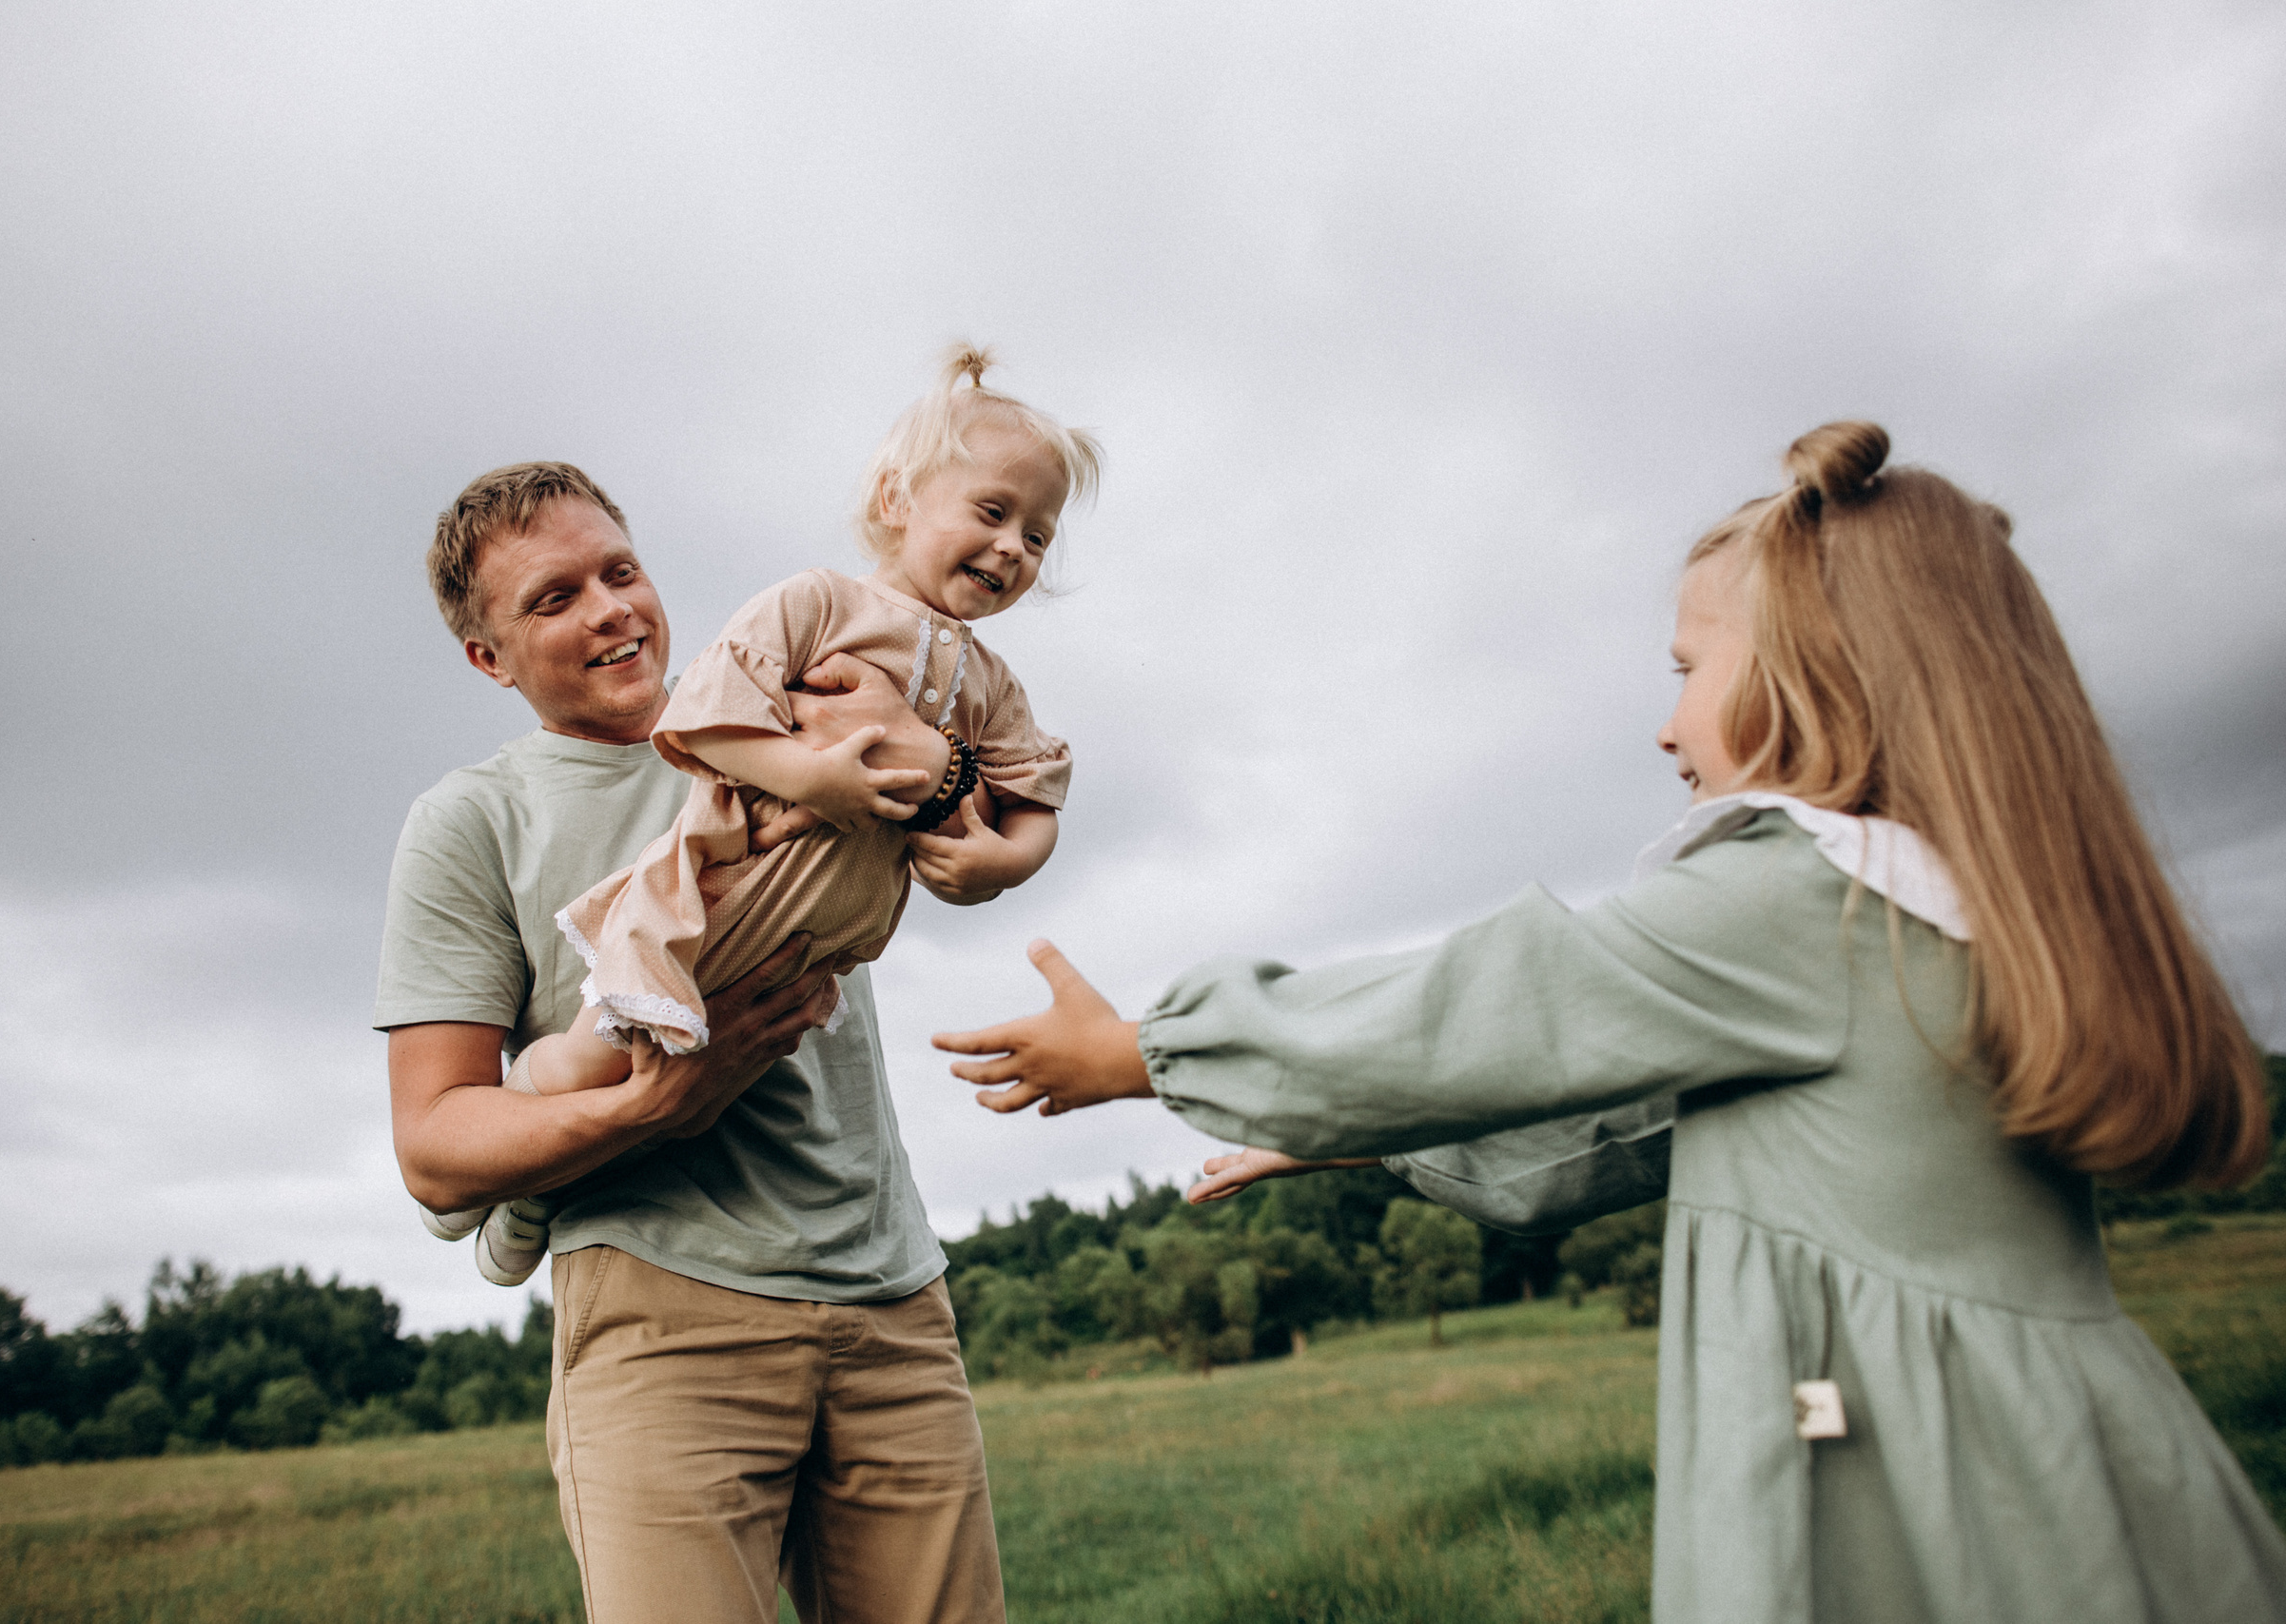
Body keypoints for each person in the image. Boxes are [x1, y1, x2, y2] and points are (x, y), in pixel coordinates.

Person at [931, 423, 2286, 1623]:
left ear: (1818, 675)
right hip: (2076, 1466)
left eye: (1687, 668)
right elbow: (1610, 1130)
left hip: (1927, 1503)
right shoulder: (1939, 913)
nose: (1664, 724)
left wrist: (1149, 1048)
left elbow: (1497, 1005)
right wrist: (1365, 1139)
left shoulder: (1798, 900)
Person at [378, 460, 1006, 1624]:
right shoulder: (472, 822)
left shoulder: (788, 709)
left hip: (890, 1302)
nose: (609, 609)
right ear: (488, 659)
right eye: (554, 599)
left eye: (619, 572)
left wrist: (957, 776)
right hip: (661, 1319)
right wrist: (649, 1108)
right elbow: (433, 1145)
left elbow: (972, 779)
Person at [436, 346, 1099, 1287]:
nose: (1012, 548)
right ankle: (526, 1194)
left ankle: (551, 1173)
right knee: (600, 1066)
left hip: (809, 946)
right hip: (717, 907)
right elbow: (703, 716)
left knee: (751, 1057)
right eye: (992, 513)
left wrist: (1005, 863)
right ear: (896, 499)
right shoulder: (819, 604)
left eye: (1037, 535)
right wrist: (812, 777)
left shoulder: (989, 683)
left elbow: (1030, 795)